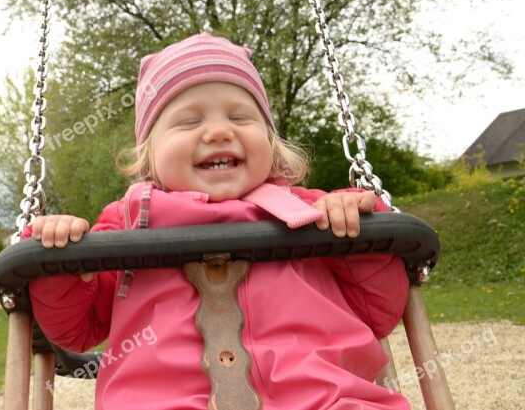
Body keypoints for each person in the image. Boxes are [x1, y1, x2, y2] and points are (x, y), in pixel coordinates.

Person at [23, 33, 410, 409]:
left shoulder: (312, 213)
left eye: (240, 117)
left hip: (324, 399)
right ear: (148, 158)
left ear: (272, 144)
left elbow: (380, 311)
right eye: (188, 122)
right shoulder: (125, 225)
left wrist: (359, 233)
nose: (220, 131)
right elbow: (75, 328)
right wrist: (61, 263)